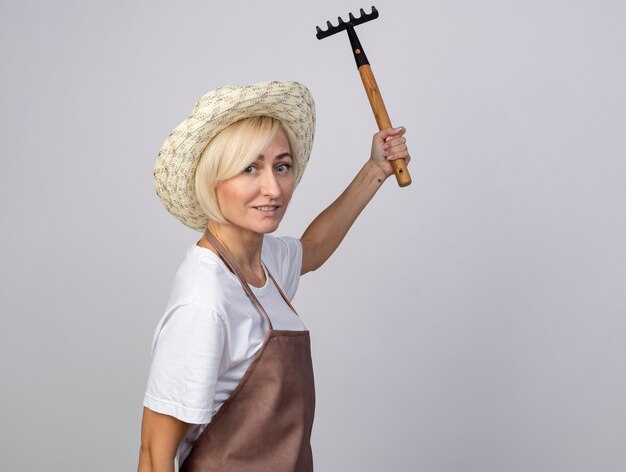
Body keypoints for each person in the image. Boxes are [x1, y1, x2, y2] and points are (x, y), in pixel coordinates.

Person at [138, 80, 410, 472]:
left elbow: (312, 249)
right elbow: (153, 456)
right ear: (212, 178)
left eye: (281, 167)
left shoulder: (260, 263)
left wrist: (375, 170)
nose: (274, 188)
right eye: (249, 168)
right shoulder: (205, 300)